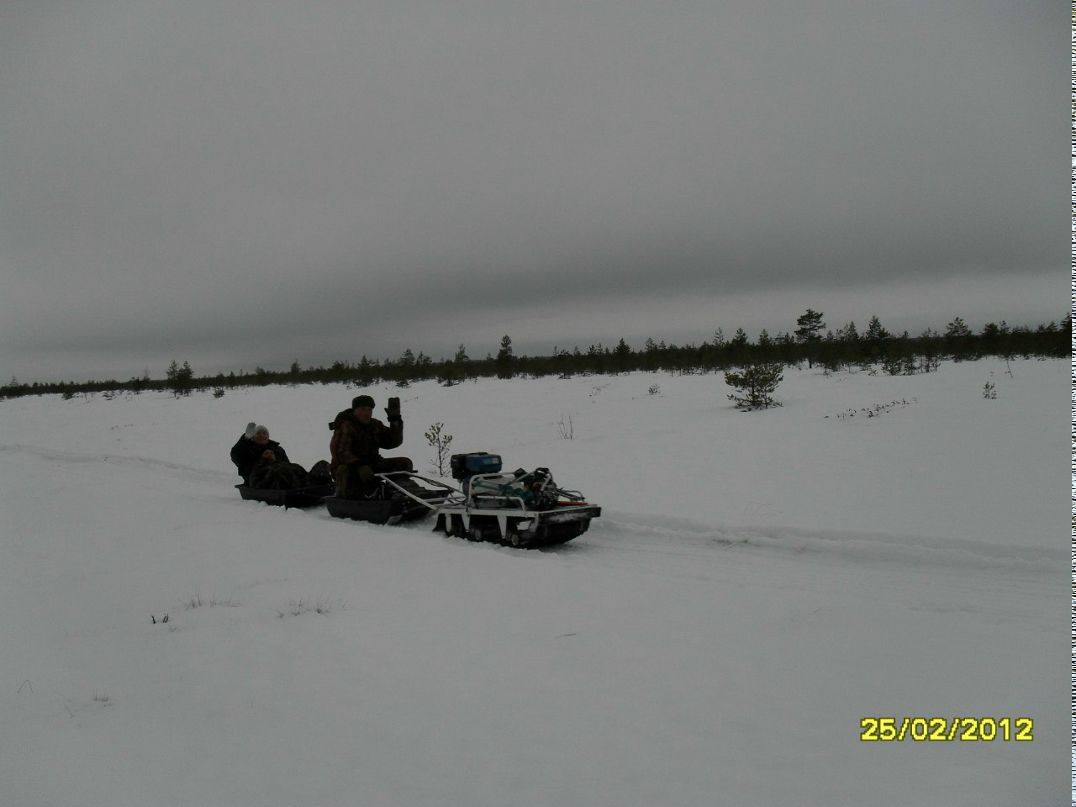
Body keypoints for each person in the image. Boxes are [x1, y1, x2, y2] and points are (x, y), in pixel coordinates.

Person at [329, 394, 413, 497]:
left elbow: (392, 442)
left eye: (369, 410)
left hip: (372, 464)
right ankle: (347, 495)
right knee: (347, 472)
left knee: (404, 464)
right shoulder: (346, 425)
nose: (366, 413)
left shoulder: (374, 425)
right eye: (363, 409)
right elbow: (340, 452)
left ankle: (398, 492)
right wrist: (359, 465)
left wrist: (395, 420)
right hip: (349, 467)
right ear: (355, 411)